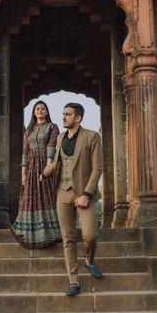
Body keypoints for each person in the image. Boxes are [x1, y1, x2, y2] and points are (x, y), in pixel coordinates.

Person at [42, 102, 103, 296]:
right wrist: (46, 171)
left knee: (90, 236)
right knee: (68, 239)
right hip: (63, 192)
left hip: (84, 193)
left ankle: (90, 261)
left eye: (68, 114)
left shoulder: (92, 137)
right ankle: (74, 281)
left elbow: (97, 169)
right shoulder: (59, 138)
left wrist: (86, 194)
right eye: (63, 114)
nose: (64, 117)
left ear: (78, 118)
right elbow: (57, 163)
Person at [11, 100, 61, 248]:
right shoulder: (29, 130)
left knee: (45, 195)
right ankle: (29, 232)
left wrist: (48, 166)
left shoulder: (52, 127)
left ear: (46, 112)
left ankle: (49, 233)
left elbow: (51, 145)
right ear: (34, 112)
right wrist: (23, 174)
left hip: (44, 163)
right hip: (31, 166)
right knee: (29, 196)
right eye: (37, 108)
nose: (40, 110)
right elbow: (25, 152)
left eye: (43, 109)